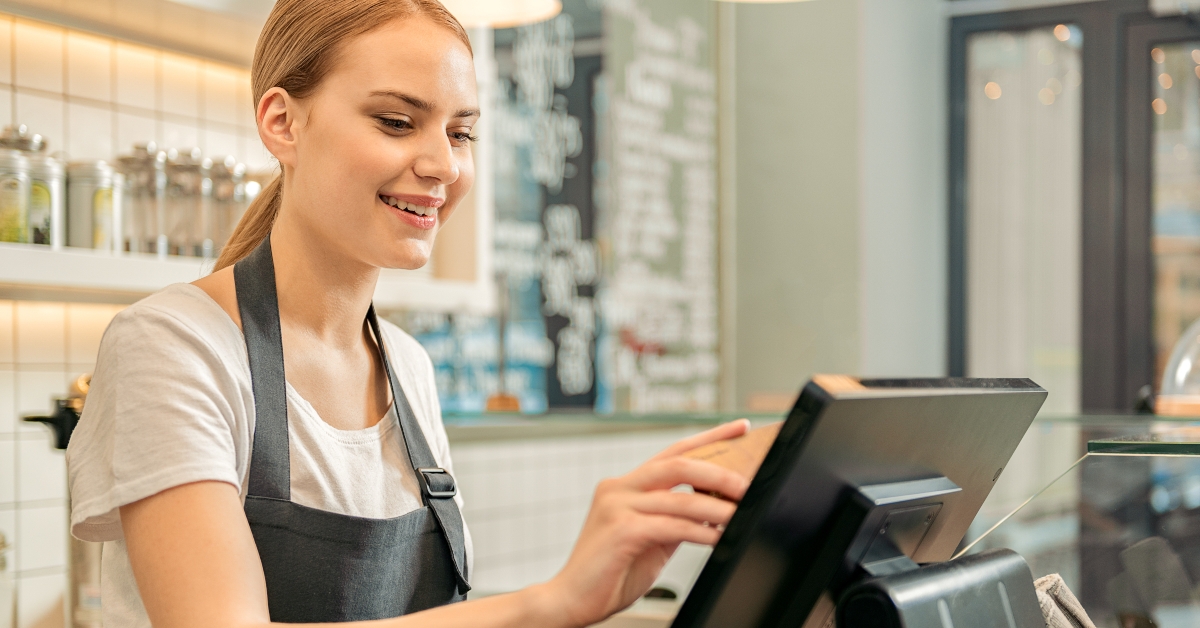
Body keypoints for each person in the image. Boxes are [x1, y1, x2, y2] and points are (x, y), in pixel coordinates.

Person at [65, 1, 751, 626]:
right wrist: (552, 602)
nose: (443, 165)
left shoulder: (408, 370)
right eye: (396, 122)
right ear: (282, 123)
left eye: (461, 133)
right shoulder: (174, 347)